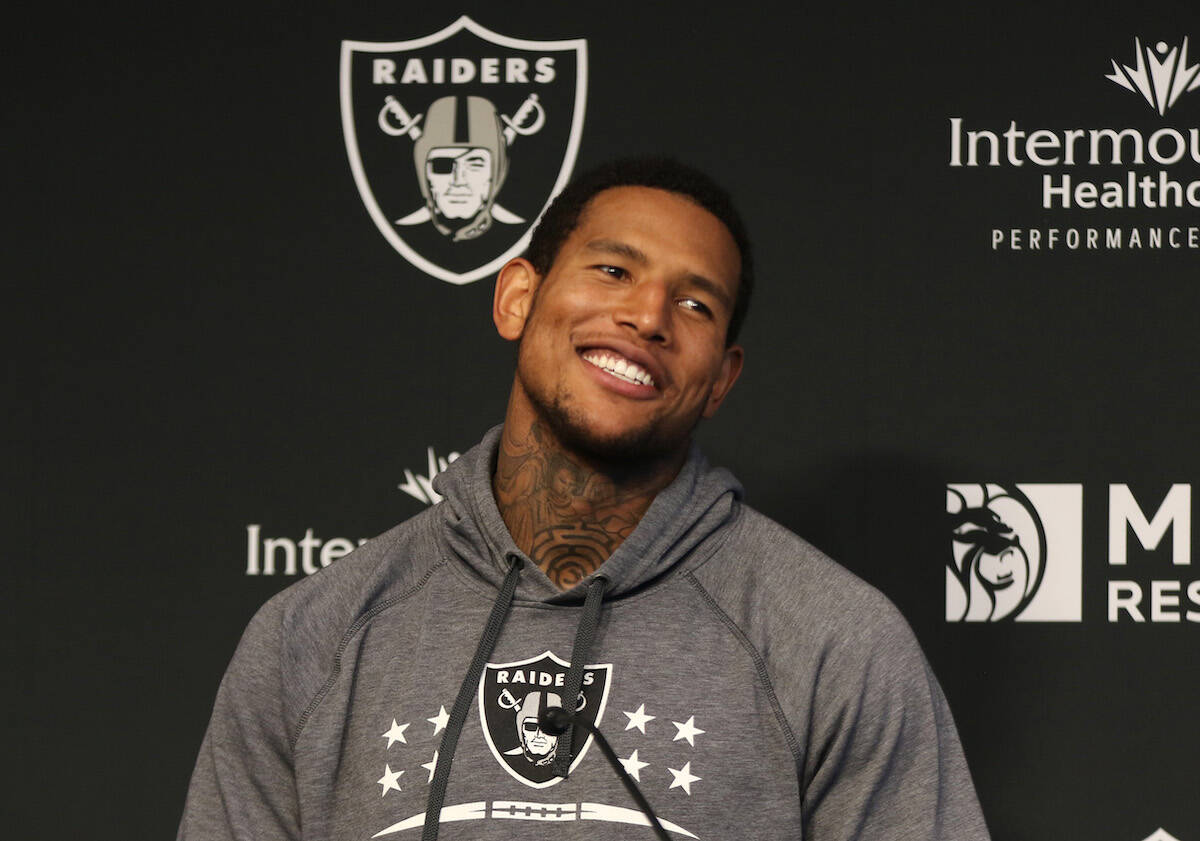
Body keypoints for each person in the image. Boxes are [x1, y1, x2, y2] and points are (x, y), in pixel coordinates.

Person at [178, 157, 991, 840]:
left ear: (722, 379)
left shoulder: (835, 643)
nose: (646, 315)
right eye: (613, 269)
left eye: (694, 303)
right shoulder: (309, 638)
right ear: (517, 298)